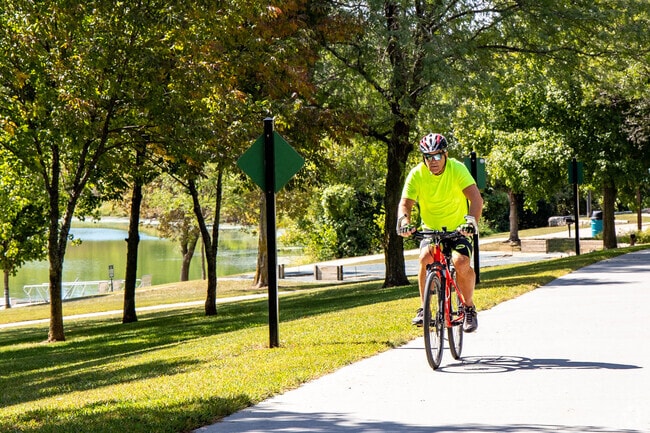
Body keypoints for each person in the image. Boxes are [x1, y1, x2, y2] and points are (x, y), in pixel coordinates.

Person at [397, 132, 483, 333]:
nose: (433, 161)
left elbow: (476, 200)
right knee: (425, 258)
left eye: (437, 156)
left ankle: (468, 308)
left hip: (458, 229)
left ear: (445, 155)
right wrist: (404, 221)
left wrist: (470, 222)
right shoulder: (417, 174)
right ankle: (423, 307)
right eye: (428, 157)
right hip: (431, 230)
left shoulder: (457, 169)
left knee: (461, 262)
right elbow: (405, 203)